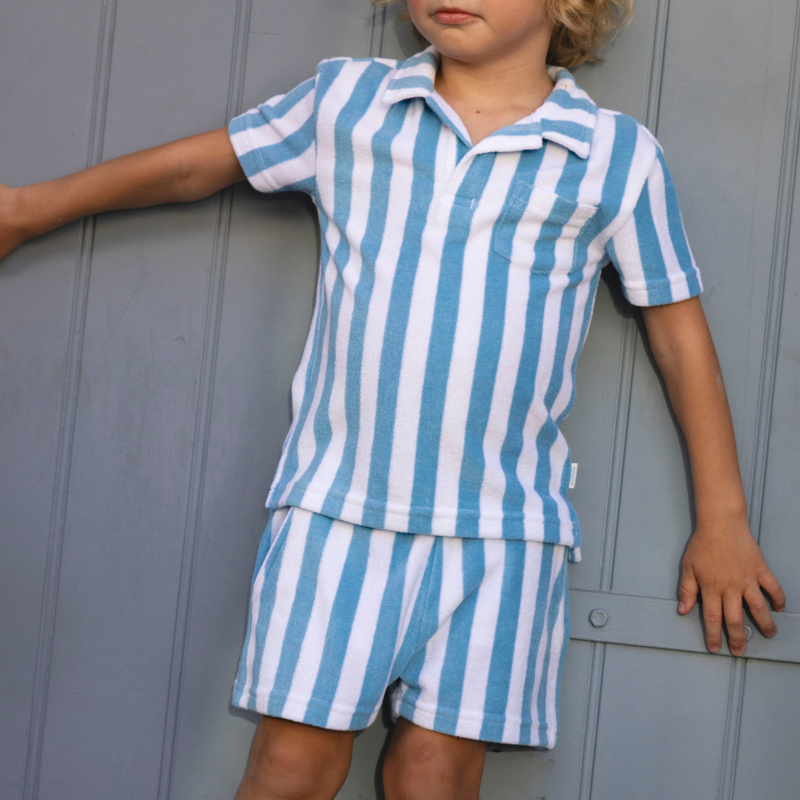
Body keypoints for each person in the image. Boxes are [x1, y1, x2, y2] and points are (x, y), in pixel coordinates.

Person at [0, 1, 787, 798]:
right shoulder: (350, 103)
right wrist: (27, 210)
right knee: (291, 769)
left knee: (432, 777)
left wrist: (722, 521)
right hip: (338, 514)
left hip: (504, 534)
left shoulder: (614, 155)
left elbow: (679, 337)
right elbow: (190, 168)